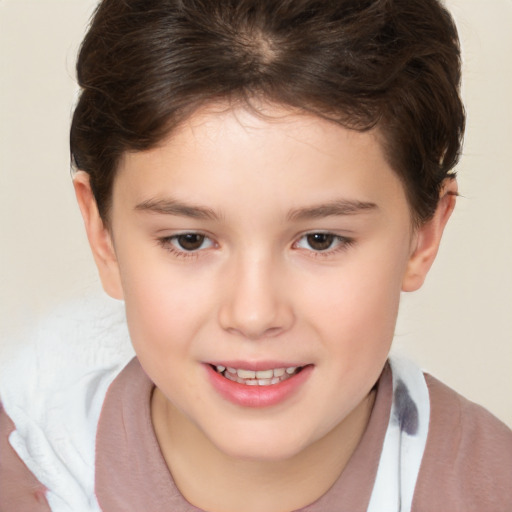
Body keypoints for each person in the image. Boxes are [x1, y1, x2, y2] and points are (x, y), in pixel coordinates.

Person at [1, 0, 511, 511]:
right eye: (190, 240)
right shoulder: (24, 465)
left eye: (320, 240)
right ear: (103, 234)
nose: (253, 314)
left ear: (422, 237)